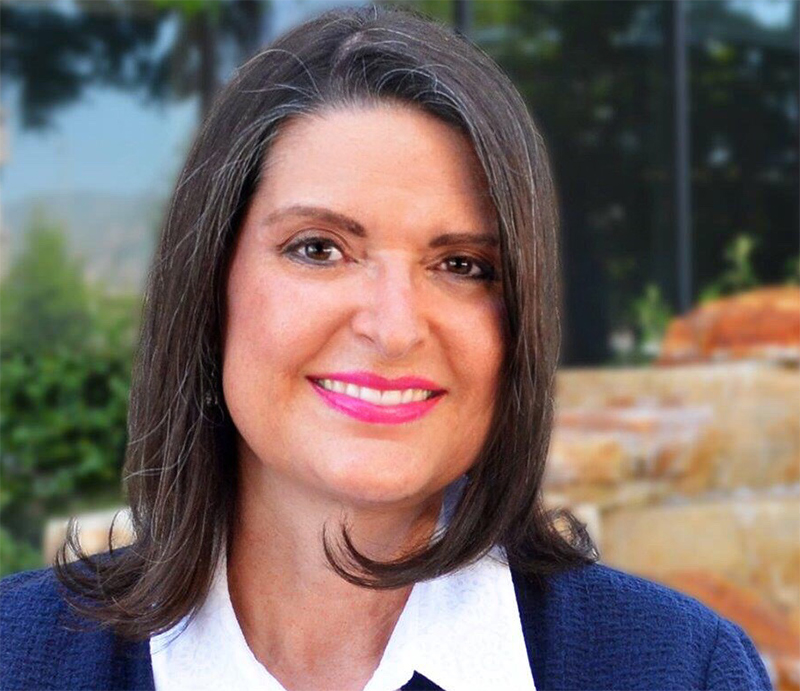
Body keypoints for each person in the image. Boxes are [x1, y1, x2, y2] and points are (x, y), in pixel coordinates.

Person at [0, 5, 772, 691]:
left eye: (463, 265)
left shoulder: (681, 669)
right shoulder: (16, 656)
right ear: (210, 284)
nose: (394, 325)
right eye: (318, 248)